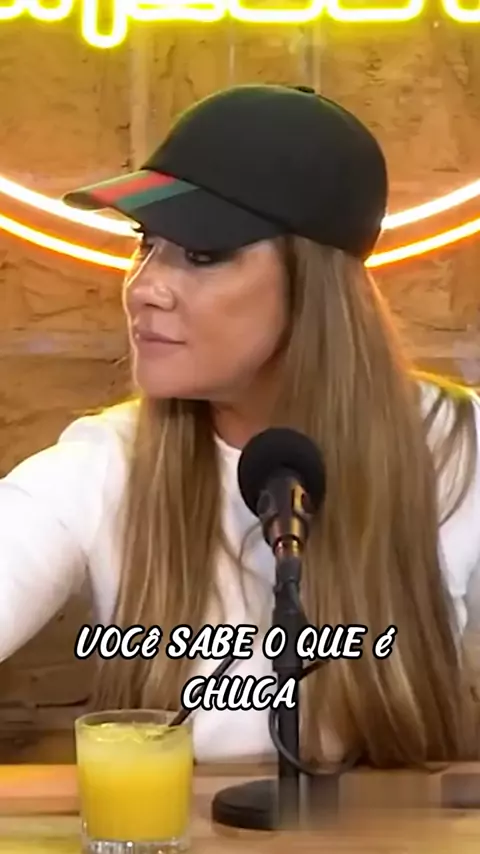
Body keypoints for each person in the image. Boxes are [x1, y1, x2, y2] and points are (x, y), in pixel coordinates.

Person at [1, 83, 480, 769]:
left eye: (202, 254)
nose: (143, 287)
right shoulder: (106, 462)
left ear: (313, 285)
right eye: (147, 245)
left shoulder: (460, 448)